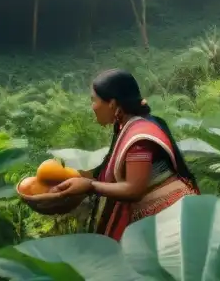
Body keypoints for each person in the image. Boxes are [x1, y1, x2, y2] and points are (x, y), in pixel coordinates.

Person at [49, 69, 199, 239]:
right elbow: (108, 174)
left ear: (112, 103)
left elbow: (134, 190)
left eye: (94, 100)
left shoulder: (139, 138)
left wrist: (90, 186)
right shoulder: (126, 126)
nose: (92, 107)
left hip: (171, 220)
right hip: (159, 218)